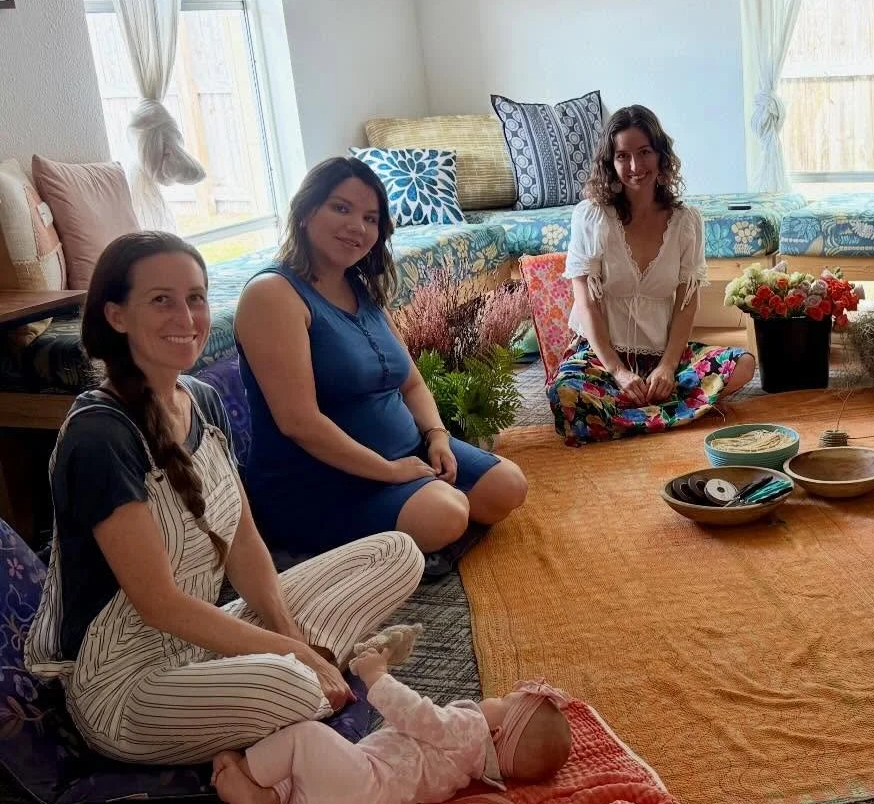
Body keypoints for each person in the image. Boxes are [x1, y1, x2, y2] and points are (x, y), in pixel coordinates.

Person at [24, 232, 426, 766]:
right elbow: (159, 604)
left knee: (396, 553)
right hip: (126, 686)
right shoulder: (100, 437)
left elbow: (242, 542)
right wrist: (295, 655)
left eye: (195, 297)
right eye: (161, 300)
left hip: (201, 640)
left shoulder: (203, 399)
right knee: (290, 685)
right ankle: (314, 673)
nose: (186, 317)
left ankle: (307, 668)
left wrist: (287, 633)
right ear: (117, 316)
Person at [235, 157, 527, 561]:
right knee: (447, 514)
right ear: (305, 211)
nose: (357, 227)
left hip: (407, 453)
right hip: (321, 481)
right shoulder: (272, 294)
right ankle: (384, 544)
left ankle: (411, 539)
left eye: (370, 218)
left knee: (508, 486)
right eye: (341, 208)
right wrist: (389, 471)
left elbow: (411, 382)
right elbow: (298, 422)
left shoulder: (360, 287)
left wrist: (437, 436)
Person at [211, 625, 574, 804]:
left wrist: (377, 676)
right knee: (309, 774)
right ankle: (269, 802)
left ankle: (249, 774)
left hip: (364, 789)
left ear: (496, 734)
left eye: (502, 701)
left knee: (307, 738)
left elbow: (415, 713)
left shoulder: (471, 729)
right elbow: (414, 730)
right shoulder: (468, 768)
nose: (492, 697)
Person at [549, 105, 756, 445]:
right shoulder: (592, 217)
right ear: (610, 162)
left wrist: (668, 367)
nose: (635, 166)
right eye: (623, 156)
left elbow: (686, 304)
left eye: (644, 152)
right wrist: (618, 372)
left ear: (661, 155)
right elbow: (586, 304)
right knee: (567, 395)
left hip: (663, 356)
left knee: (743, 364)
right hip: (602, 358)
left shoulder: (686, 222)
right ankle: (669, 413)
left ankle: (632, 414)